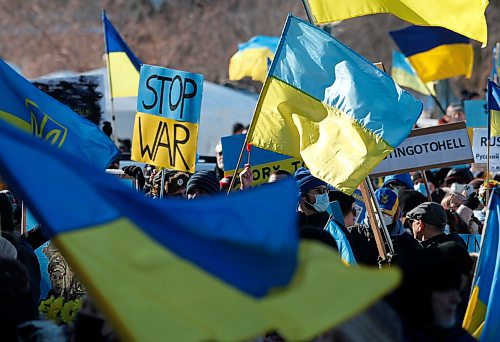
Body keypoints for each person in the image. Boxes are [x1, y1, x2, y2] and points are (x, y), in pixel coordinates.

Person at [374, 188, 422, 264]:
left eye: (387, 214)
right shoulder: (358, 236)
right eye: (377, 213)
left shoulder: (408, 244)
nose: (381, 218)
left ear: (397, 213)